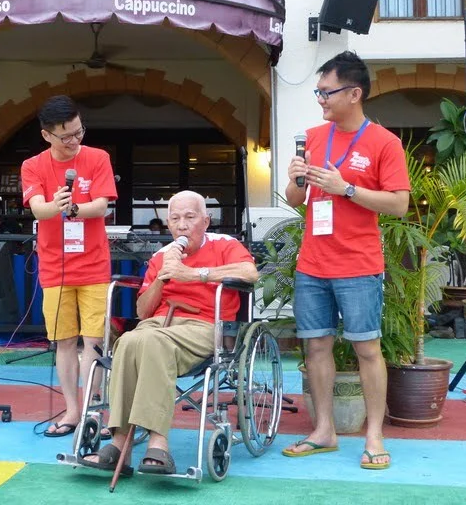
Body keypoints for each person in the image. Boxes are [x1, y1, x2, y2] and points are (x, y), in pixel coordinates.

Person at [283, 51, 410, 470]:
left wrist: (347, 188)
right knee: (316, 345)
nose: (320, 98)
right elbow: (295, 200)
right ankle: (324, 431)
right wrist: (295, 178)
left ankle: (374, 435)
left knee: (366, 349)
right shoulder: (315, 137)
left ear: (354, 93)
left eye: (326, 91)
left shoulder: (384, 143)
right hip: (312, 263)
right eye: (318, 92)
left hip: (358, 264)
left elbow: (398, 205)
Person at [81, 190, 258, 474]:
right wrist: (162, 277)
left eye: (190, 217)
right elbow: (142, 312)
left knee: (151, 342)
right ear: (168, 223)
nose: (182, 225)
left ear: (206, 220)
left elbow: (250, 273)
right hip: (158, 324)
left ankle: (158, 442)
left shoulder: (225, 244)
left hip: (204, 326)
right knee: (128, 340)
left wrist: (194, 275)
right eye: (175, 219)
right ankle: (119, 442)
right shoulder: (163, 255)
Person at [21, 95, 117, 438]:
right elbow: (37, 210)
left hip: (93, 265)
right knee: (63, 342)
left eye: (79, 132)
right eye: (67, 136)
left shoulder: (98, 158)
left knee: (93, 342)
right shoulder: (33, 165)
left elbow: (103, 205)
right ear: (47, 135)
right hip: (54, 266)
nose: (75, 141)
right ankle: (72, 412)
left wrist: (75, 208)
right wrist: (55, 204)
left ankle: (95, 410)